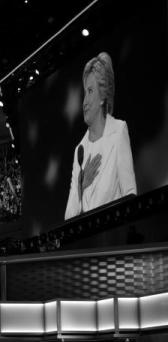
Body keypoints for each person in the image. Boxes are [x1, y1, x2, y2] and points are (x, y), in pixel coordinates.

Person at [64, 52, 137, 220]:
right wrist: (82, 186)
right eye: (84, 92)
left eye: (90, 91)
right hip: (90, 245)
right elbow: (69, 217)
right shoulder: (80, 151)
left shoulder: (118, 132)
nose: (84, 102)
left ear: (102, 97)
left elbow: (131, 194)